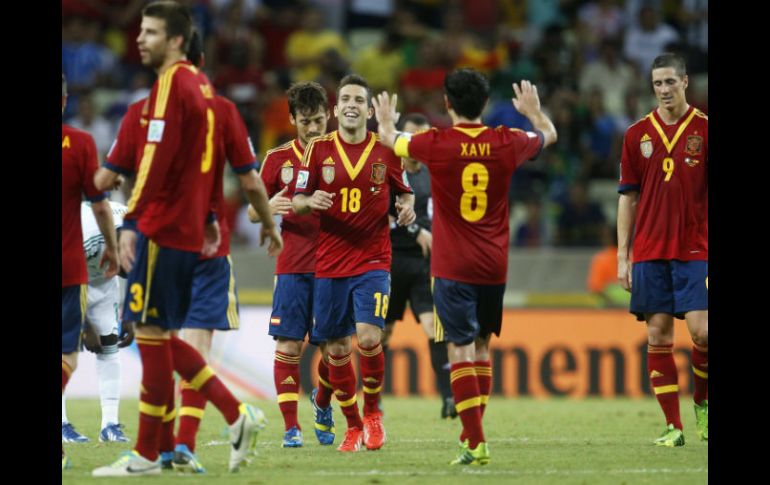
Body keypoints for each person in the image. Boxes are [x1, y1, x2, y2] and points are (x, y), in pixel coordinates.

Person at [91, 2, 280, 476]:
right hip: (195, 236)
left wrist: (131, 223)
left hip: (161, 230)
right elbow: (243, 178)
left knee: (154, 338)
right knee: (161, 338)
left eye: (150, 32)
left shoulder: (164, 93)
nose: (139, 39)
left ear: (177, 41)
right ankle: (222, 422)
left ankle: (152, 453)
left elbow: (144, 169)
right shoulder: (216, 101)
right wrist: (241, 219)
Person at [373, 68, 557, 465]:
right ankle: (470, 436)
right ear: (486, 104)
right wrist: (533, 112)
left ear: (447, 104)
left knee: (458, 347)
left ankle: (475, 441)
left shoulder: (436, 143)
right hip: (494, 265)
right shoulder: (508, 141)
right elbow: (549, 135)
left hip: (452, 264)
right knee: (482, 346)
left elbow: (391, 140)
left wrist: (386, 119)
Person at [292, 74, 415, 452]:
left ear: (368, 110)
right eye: (345, 98)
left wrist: (407, 206)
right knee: (336, 350)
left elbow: (405, 193)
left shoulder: (386, 150)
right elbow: (296, 200)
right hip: (328, 263)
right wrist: (309, 202)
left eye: (358, 100)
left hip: (373, 259)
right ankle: (352, 424)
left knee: (368, 337)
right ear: (335, 108)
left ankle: (374, 414)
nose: (350, 104)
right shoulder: (317, 150)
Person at [616, 52, 708, 447]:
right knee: (657, 335)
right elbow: (628, 197)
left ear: (685, 82)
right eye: (658, 83)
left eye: (671, 82)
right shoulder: (637, 134)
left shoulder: (704, 129)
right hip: (650, 248)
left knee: (703, 334)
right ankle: (674, 427)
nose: (665, 90)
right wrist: (623, 253)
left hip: (695, 246)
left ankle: (702, 406)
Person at [250, 81, 334, 448]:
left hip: (338, 265)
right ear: (292, 120)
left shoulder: (344, 156)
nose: (313, 129)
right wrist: (270, 209)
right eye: (305, 122)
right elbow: (254, 212)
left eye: (318, 120)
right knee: (288, 345)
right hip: (293, 265)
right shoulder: (277, 160)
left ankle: (324, 399)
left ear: (329, 115)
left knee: (336, 350)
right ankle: (290, 428)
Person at [62, 72, 121, 470]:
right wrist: (114, 248)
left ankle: (110, 423)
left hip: (99, 288)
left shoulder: (124, 213)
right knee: (68, 355)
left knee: (111, 344)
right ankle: (65, 424)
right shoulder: (80, 144)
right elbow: (99, 207)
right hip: (71, 275)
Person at [381, 112, 456, 420]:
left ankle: (449, 397)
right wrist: (417, 231)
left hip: (423, 264)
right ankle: (375, 399)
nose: (416, 143)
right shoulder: (389, 170)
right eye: (411, 136)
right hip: (391, 260)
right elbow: (382, 216)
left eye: (422, 136)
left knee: (433, 328)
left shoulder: (433, 172)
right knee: (381, 334)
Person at [62, 202, 131, 445]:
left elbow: (139, 271)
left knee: (110, 347)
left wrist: (131, 315)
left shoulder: (136, 236)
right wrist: (84, 328)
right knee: (64, 351)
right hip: (68, 281)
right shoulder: (89, 234)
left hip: (103, 284)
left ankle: (110, 425)